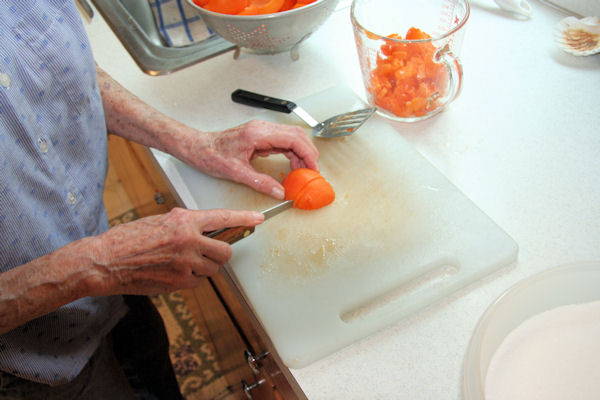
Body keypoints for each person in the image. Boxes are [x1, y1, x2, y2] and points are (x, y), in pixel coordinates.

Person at [0, 1, 319, 399]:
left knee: (151, 368)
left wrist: (196, 143)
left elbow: (64, 69)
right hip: (28, 369)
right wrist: (94, 265)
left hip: (110, 290)